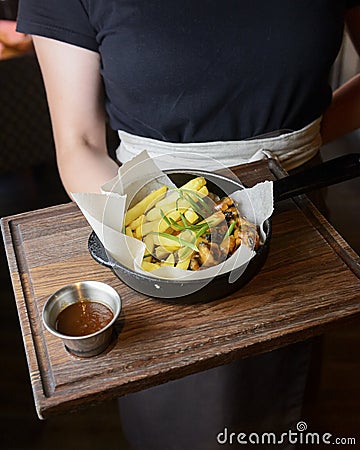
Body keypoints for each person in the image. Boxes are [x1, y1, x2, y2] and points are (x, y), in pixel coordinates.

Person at [16, 1, 360, 449]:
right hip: (151, 237)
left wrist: (292, 147)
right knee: (183, 422)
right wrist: (160, 241)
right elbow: (78, 143)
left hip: (296, 212)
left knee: (282, 407)